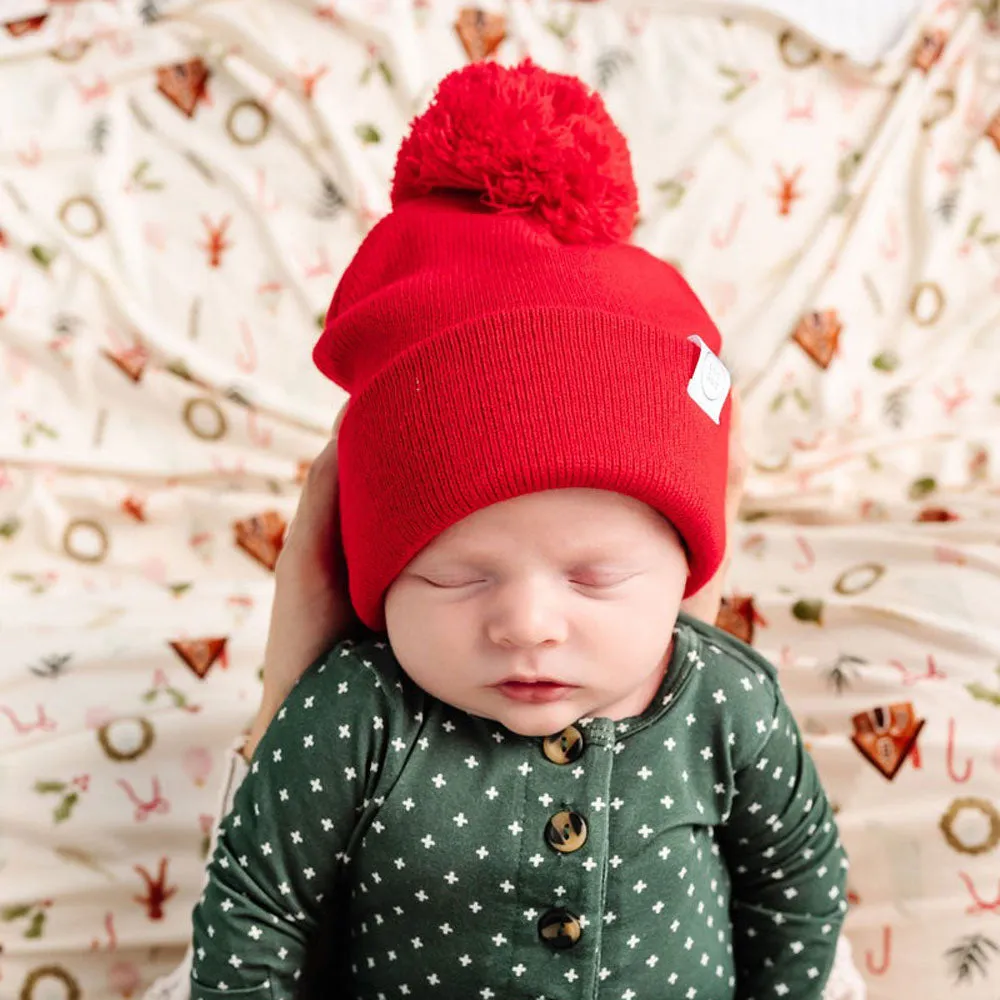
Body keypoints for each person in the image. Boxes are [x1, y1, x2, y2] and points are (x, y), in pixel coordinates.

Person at [179, 59, 864, 1000]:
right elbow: (252, 914)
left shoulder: (722, 702)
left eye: (594, 577)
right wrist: (286, 683)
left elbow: (797, 884)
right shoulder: (359, 715)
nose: (528, 625)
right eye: (460, 577)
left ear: (684, 570)